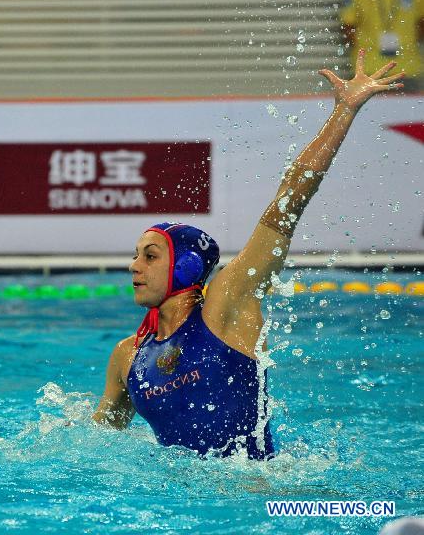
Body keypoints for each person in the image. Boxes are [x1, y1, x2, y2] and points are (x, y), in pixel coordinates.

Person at [92, 51, 404, 459]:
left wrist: (343, 112)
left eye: (150, 256)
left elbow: (288, 202)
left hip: (258, 489)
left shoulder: (226, 307)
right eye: (136, 256)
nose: (134, 266)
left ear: (186, 266)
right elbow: (97, 442)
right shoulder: (128, 355)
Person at [340, 0, 424, 92]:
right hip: (369, 69)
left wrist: (410, 43)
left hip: (408, 68)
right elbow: (348, 26)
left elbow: (421, 21)